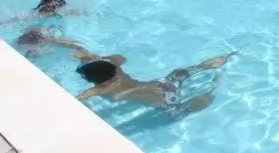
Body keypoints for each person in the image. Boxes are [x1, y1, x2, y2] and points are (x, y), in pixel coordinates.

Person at [26, 29, 236, 116]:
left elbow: (75, 100)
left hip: (162, 101)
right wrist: (96, 57)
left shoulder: (99, 89)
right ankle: (224, 59)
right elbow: (120, 57)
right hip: (161, 83)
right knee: (191, 70)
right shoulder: (116, 68)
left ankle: (212, 91)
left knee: (182, 111)